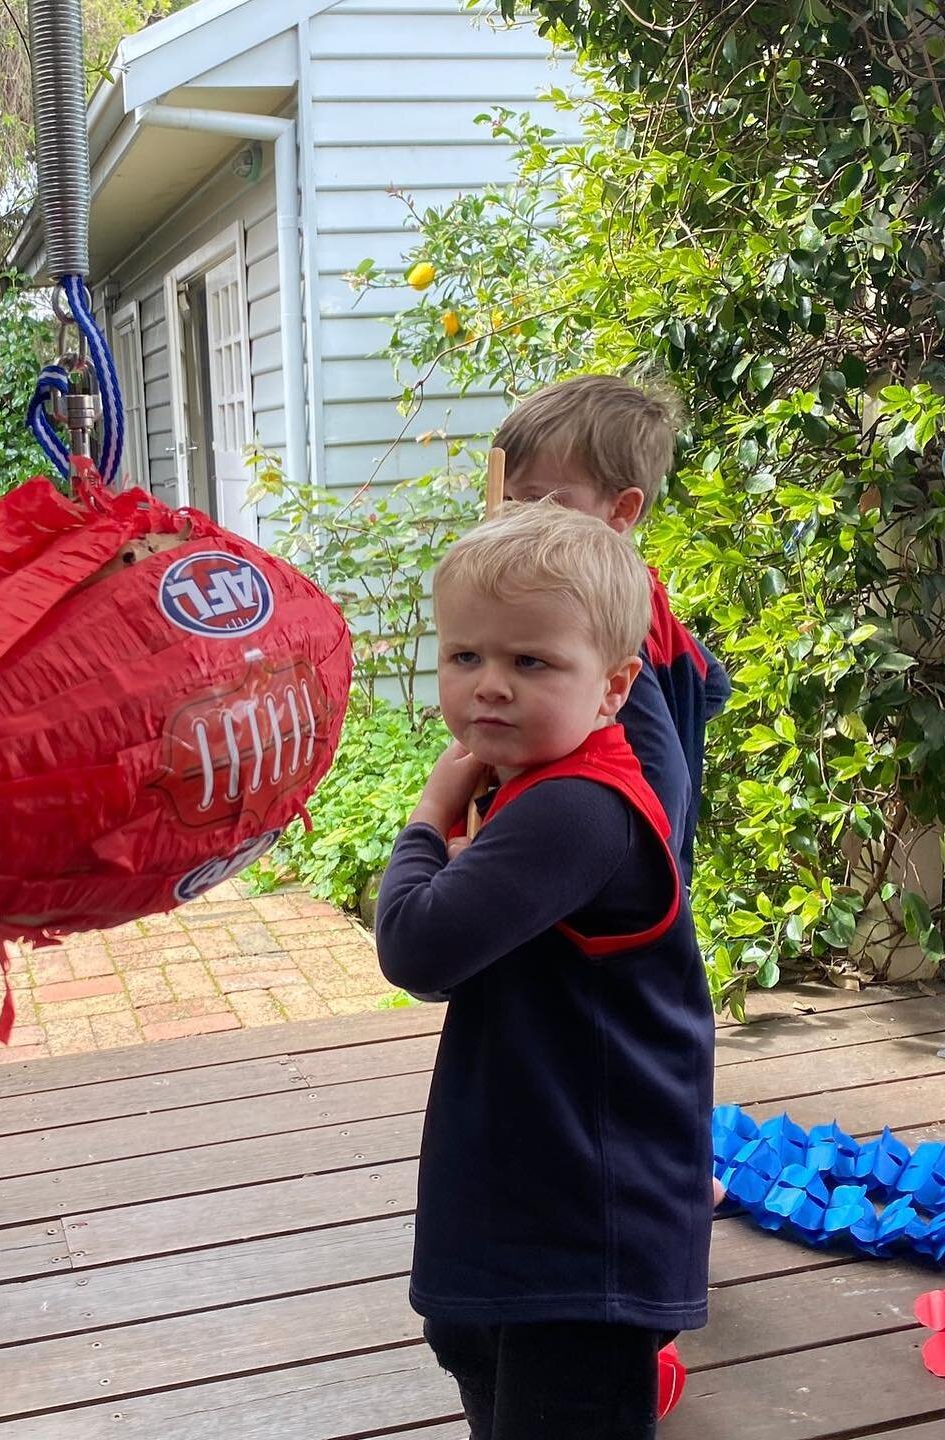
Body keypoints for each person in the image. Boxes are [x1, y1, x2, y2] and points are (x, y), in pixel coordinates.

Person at [377, 503, 713, 1439]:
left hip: (587, 1218)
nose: (490, 686)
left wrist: (427, 815)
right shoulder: (533, 785)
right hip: (528, 1178)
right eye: (466, 657)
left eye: (532, 662)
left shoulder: (576, 812)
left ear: (612, 689)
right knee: (477, 1352)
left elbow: (417, 948)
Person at [492, 373, 732, 884]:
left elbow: (661, 767)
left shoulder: (601, 616)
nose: (517, 523)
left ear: (621, 510)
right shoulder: (639, 592)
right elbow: (711, 682)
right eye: (509, 503)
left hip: (630, 890)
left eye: (542, 504)